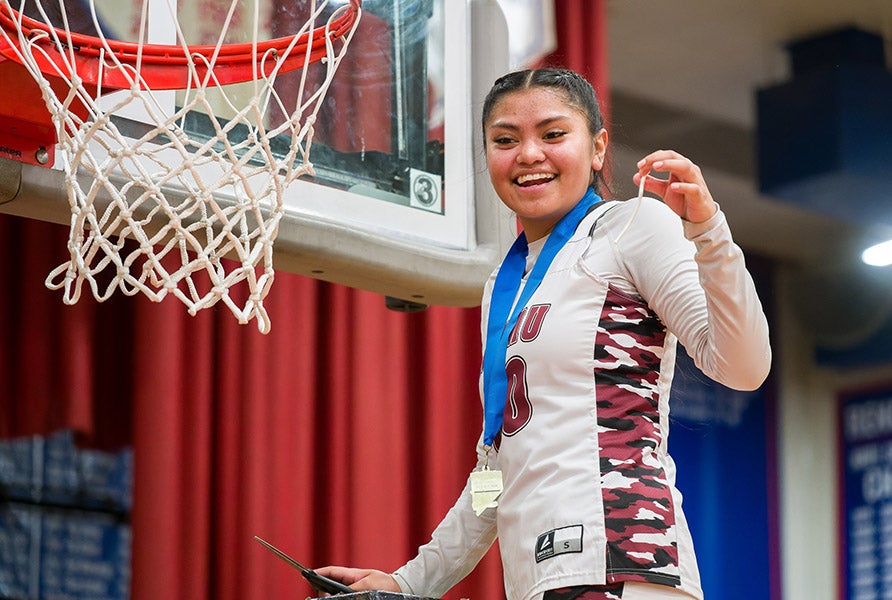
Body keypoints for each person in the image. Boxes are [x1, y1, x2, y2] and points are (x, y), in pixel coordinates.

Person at [317, 68, 771, 600]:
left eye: (553, 135)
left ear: (598, 147)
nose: (528, 154)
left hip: (623, 559)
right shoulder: (501, 285)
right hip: (540, 578)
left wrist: (708, 234)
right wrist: (408, 582)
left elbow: (742, 365)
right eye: (505, 140)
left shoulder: (632, 226)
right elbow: (499, 469)